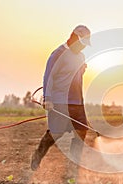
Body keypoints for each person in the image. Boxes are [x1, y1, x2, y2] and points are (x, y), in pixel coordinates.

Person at [31, 25, 92, 171]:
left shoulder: (81, 56)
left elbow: (76, 79)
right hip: (59, 100)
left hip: (76, 101)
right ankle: (38, 155)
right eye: (81, 43)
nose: (83, 48)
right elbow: (49, 76)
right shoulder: (58, 54)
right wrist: (47, 98)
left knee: (82, 130)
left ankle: (73, 166)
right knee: (56, 133)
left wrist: (81, 70)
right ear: (73, 37)